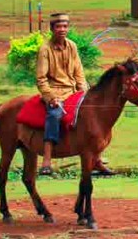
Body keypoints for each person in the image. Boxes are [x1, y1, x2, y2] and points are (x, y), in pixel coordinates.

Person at [36, 13, 114, 176]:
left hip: (73, 91)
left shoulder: (72, 46)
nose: (62, 30)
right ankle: (47, 159)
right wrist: (50, 97)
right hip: (54, 92)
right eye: (58, 26)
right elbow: (41, 79)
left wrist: (85, 92)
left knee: (94, 116)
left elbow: (79, 73)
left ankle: (96, 160)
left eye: (65, 26)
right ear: (52, 29)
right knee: (54, 114)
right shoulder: (45, 49)